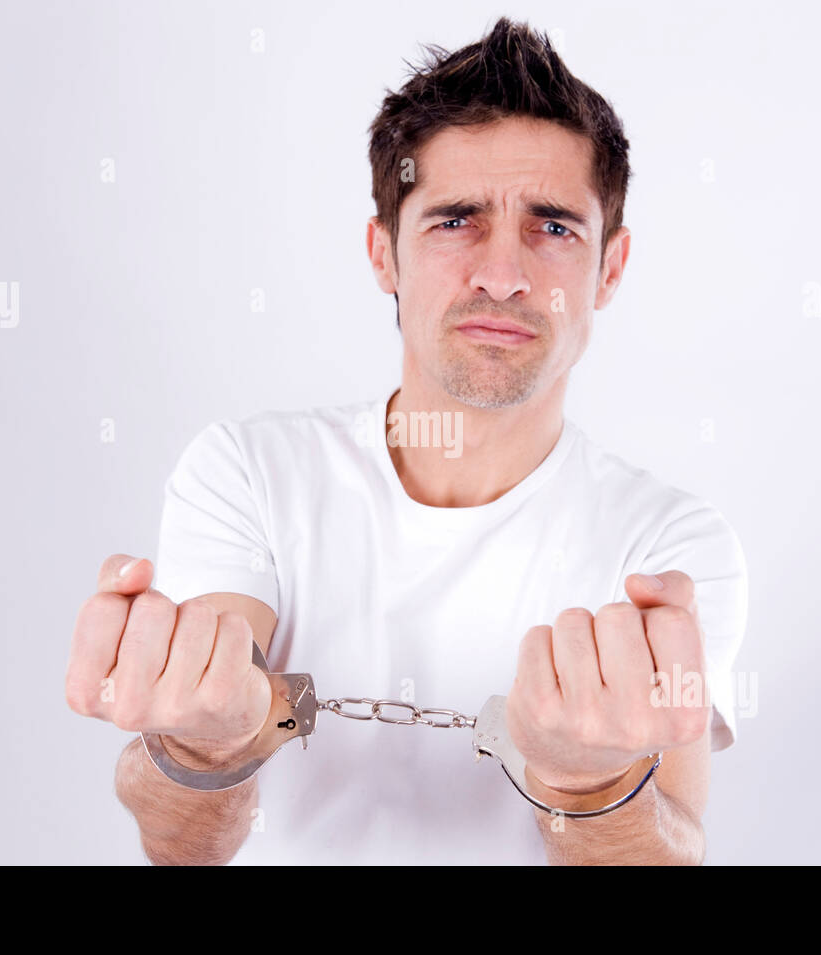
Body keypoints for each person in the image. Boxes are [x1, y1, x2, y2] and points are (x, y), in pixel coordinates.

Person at [65, 17, 748, 865]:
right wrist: (204, 749)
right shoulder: (246, 477)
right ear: (383, 253)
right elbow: (183, 846)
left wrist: (592, 788)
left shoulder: (669, 550)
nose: (502, 274)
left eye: (556, 227)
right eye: (456, 220)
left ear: (610, 268)